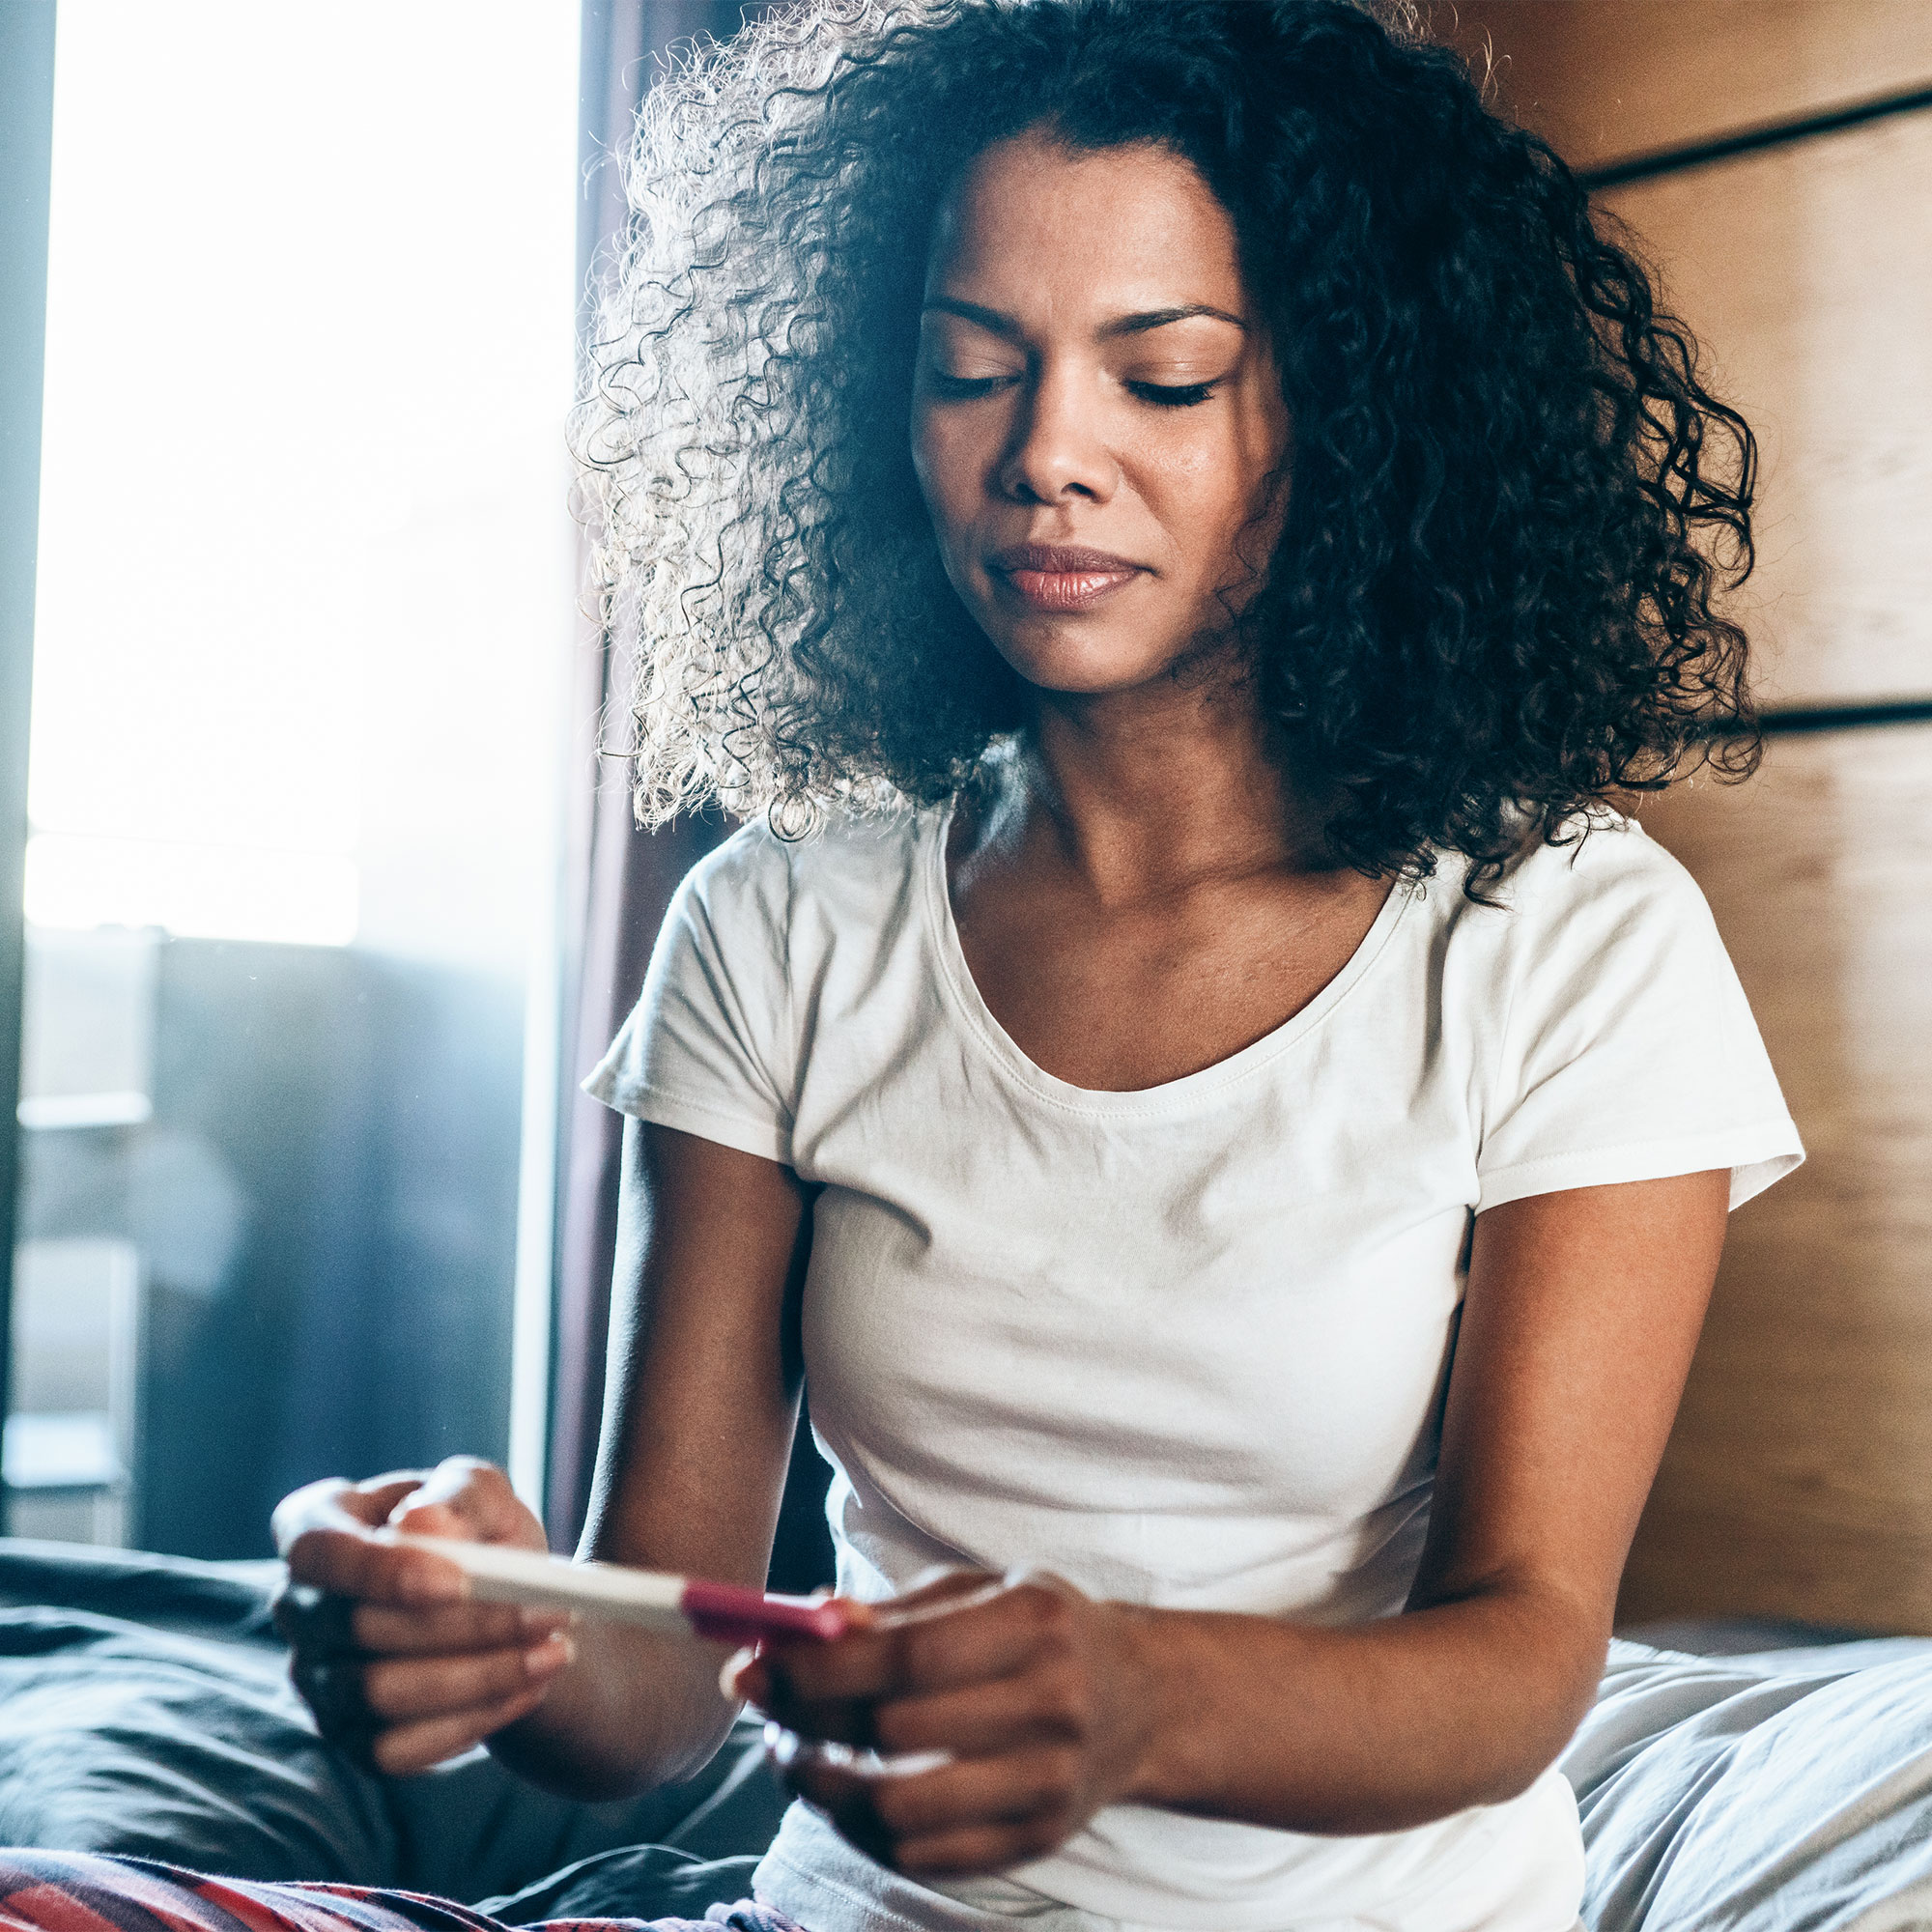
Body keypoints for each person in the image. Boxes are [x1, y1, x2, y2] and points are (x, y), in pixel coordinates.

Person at [0, 3, 1803, 1930]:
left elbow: (1521, 1656)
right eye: (969, 371)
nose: (1044, 457)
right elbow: (651, 1686)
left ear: (1352, 417)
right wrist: (499, 1630)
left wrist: (1142, 1693)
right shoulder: (780, 929)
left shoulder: (1568, 941)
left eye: (1165, 378)